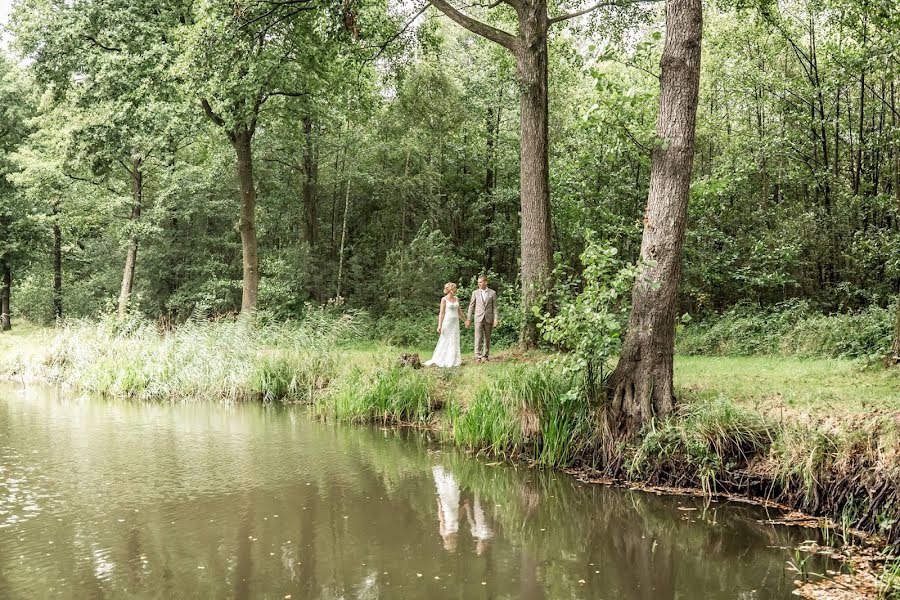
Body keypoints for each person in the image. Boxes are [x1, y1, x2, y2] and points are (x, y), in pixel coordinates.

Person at [424, 282, 465, 368]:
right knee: (445, 339)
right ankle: (443, 359)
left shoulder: (456, 298)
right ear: (450, 290)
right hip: (447, 322)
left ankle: (454, 360)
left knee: (454, 339)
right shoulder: (444, 299)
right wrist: (439, 325)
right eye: (454, 289)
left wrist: (465, 320)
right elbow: (441, 313)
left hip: (455, 323)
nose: (456, 290)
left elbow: (459, 311)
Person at [465, 275, 499, 363]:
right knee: (478, 337)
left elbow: (495, 307)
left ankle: (486, 355)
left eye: (480, 282)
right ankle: (478, 356)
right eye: (478, 282)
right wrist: (468, 318)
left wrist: (496, 319)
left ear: (485, 282)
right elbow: (471, 306)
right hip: (478, 318)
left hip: (489, 318)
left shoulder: (492, 293)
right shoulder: (475, 293)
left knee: (487, 338)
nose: (479, 284)